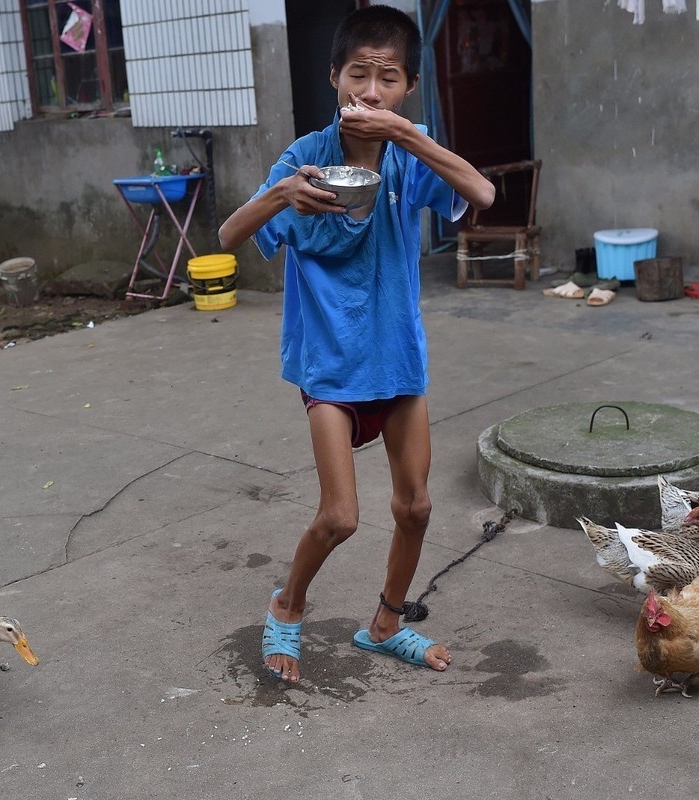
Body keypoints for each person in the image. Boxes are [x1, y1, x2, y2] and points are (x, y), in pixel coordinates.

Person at [218, 6, 495, 683]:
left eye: (389, 78)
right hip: (331, 366)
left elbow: (482, 191)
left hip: (399, 361)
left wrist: (408, 135)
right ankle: (287, 606)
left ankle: (386, 624)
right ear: (334, 77)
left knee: (417, 506)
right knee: (340, 516)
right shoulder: (305, 159)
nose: (371, 92)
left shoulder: (409, 150)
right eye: (359, 75)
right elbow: (228, 238)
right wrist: (282, 195)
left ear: (407, 87)